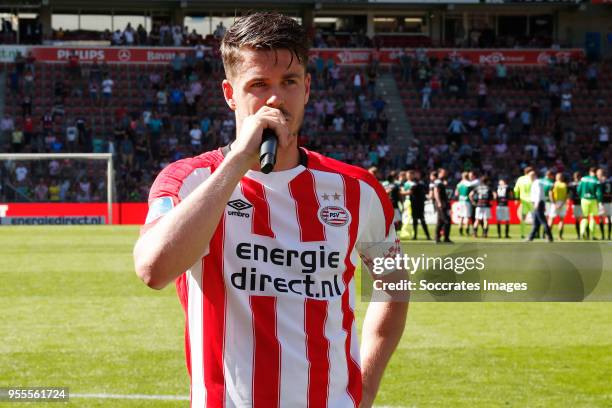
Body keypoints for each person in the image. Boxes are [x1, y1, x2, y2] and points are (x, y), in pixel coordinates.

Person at [133, 13, 407, 408]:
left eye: (289, 82)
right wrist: (238, 162)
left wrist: (366, 386)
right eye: (259, 84)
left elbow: (394, 284)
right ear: (230, 94)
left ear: (307, 88)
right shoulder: (188, 181)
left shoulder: (357, 189)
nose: (275, 98)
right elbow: (153, 270)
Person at [526, 171, 553, 242]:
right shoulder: (536, 182)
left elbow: (539, 194)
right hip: (538, 203)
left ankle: (549, 237)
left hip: (538, 203)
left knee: (543, 221)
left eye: (529, 176)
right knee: (536, 223)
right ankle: (531, 237)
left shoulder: (537, 183)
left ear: (533, 176)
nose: (529, 178)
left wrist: (537, 203)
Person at [577, 167, 602, 240]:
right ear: (595, 172)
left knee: (584, 217)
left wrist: (581, 196)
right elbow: (599, 193)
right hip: (593, 200)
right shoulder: (596, 180)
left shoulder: (583, 178)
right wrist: (599, 201)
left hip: (584, 199)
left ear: (589, 171)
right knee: (592, 217)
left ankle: (582, 232)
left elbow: (578, 189)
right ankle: (592, 235)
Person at [514, 166, 534, 239]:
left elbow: (516, 189)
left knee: (523, 218)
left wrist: (516, 198)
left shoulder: (520, 179)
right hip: (532, 201)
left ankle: (522, 234)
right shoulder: (532, 179)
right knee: (535, 217)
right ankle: (535, 233)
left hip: (523, 201)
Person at [433, 168, 452, 244]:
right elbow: (436, 192)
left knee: (440, 221)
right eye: (443, 173)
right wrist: (439, 202)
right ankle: (445, 238)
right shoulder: (438, 182)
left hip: (444, 202)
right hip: (441, 203)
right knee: (446, 221)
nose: (445, 174)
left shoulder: (442, 182)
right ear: (439, 173)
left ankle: (437, 238)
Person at [548, 172, 568, 240]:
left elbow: (550, 194)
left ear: (556, 177)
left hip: (555, 202)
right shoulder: (565, 185)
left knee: (551, 219)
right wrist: (562, 204)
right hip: (562, 202)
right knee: (561, 220)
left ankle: (549, 235)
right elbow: (566, 196)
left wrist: (554, 203)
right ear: (562, 178)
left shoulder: (554, 184)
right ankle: (560, 236)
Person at [454, 172, 472, 236]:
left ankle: (460, 232)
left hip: (460, 201)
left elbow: (456, 194)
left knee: (461, 217)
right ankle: (467, 232)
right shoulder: (469, 184)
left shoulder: (459, 184)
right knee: (466, 217)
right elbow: (471, 193)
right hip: (466, 201)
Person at [596, 168, 611, 240]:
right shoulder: (609, 181)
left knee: (601, 218)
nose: (597, 175)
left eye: (598, 174)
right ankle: (609, 236)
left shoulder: (600, 182)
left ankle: (603, 236)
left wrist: (600, 202)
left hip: (602, 202)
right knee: (609, 218)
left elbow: (599, 193)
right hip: (609, 201)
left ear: (601, 174)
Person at [568, 171, 582, 239]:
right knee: (579, 220)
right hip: (577, 203)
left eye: (577, 177)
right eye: (576, 177)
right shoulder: (581, 183)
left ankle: (582, 234)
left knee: (581, 220)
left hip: (580, 203)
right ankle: (579, 235)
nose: (576, 178)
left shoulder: (572, 184)